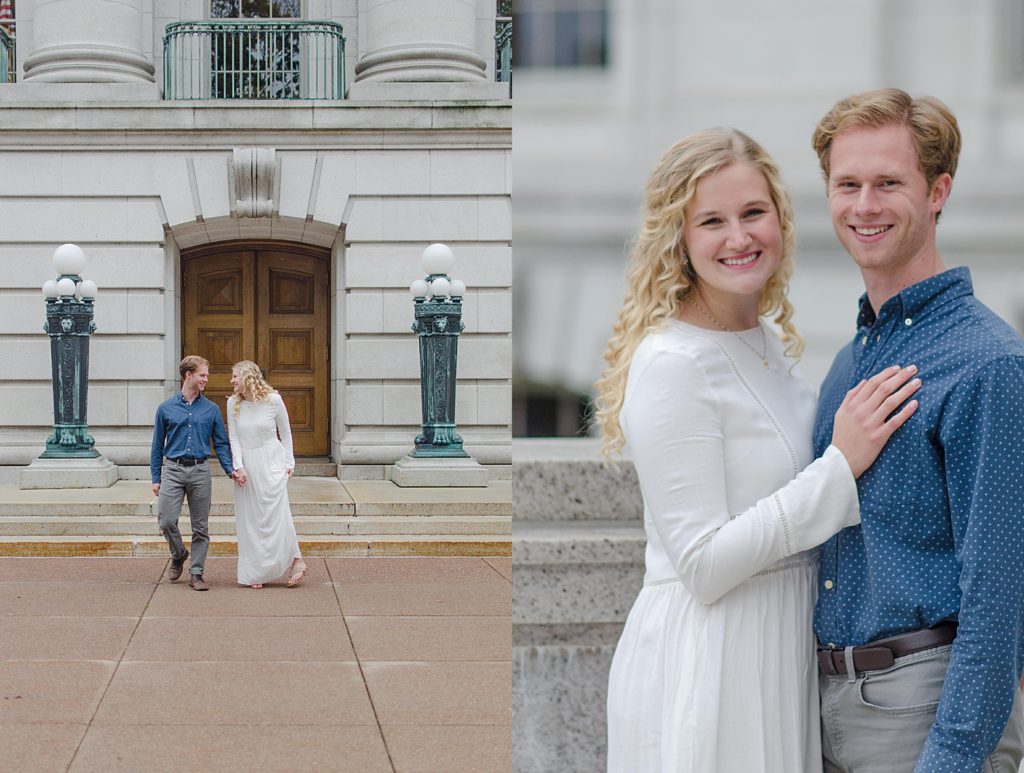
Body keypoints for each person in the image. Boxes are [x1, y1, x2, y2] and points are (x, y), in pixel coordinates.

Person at [595, 128, 922, 772]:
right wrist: (840, 465)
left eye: (752, 213)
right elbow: (702, 563)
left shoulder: (767, 338)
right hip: (712, 662)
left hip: (783, 651)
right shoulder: (672, 363)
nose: (739, 238)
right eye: (712, 221)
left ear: (780, 217)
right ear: (679, 238)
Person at [810, 88, 1024, 772]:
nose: (864, 205)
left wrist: (952, 757)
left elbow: (999, 590)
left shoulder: (987, 361)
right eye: (847, 184)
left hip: (926, 714)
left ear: (938, 192)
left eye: (888, 183)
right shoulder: (847, 364)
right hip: (824, 709)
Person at [151, 355, 243, 591]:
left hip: (201, 470)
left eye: (206, 375)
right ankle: (179, 554)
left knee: (200, 527)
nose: (206, 379)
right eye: (202, 375)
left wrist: (230, 469)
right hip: (173, 469)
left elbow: (221, 443)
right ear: (188, 375)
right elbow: (157, 445)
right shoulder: (165, 408)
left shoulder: (211, 409)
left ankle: (196, 573)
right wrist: (156, 477)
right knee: (166, 520)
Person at [227, 360, 307, 589]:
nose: (231, 381)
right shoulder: (233, 403)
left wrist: (289, 462)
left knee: (276, 515)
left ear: (247, 376)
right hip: (247, 465)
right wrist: (238, 466)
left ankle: (296, 559)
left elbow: (286, 434)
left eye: (235, 376)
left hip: (272, 462)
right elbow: (234, 438)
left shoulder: (273, 400)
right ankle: (257, 571)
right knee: (251, 519)